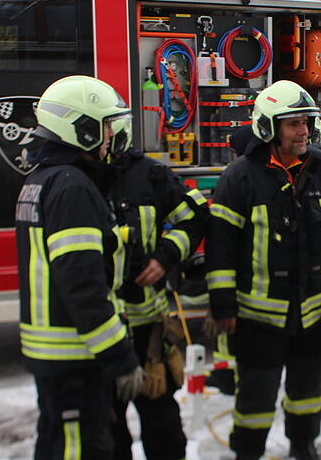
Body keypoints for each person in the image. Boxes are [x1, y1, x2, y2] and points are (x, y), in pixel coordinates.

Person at [205, 80, 321, 460]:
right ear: (269, 128)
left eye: (307, 123)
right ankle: (248, 453)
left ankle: (303, 447)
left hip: (312, 315)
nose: (304, 131)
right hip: (259, 321)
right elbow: (222, 247)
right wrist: (224, 304)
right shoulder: (240, 178)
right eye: (293, 123)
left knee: (308, 395)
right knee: (255, 403)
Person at [15, 75, 143, 459]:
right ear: (80, 128)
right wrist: (119, 358)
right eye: (105, 127)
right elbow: (84, 287)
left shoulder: (42, 179)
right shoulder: (73, 187)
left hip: (59, 356)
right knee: (77, 450)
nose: (111, 137)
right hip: (73, 356)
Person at [109, 143, 208, 460]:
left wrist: (165, 257)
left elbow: (194, 218)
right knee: (109, 437)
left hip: (148, 332)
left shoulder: (149, 174)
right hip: (101, 334)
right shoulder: (77, 180)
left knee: (164, 433)